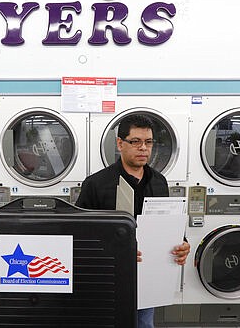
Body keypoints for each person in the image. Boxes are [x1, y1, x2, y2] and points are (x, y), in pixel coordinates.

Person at [75, 114, 190, 328]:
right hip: (108, 278)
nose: (143, 148)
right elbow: (81, 236)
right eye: (136, 141)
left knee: (144, 324)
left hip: (148, 275)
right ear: (120, 143)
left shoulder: (159, 182)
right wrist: (113, 250)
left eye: (148, 142)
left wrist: (181, 243)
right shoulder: (96, 184)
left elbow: (166, 223)